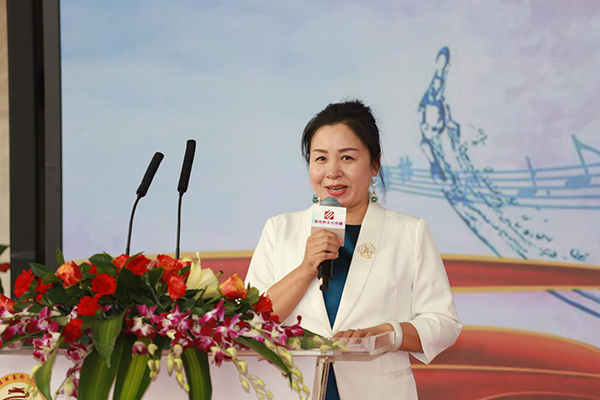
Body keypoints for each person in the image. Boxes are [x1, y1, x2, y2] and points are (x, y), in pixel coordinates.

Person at [246, 100, 461, 399]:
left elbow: (443, 323)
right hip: (293, 390)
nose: (333, 172)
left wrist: (390, 333)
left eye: (347, 158)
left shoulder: (409, 232)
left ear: (375, 165)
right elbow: (250, 322)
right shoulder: (279, 229)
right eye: (321, 159)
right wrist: (306, 268)